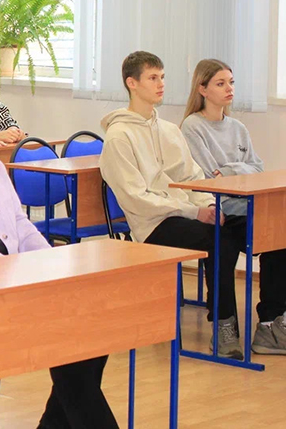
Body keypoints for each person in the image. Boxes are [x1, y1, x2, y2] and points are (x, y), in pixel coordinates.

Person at [0, 74, 118, 429]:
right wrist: (16, 270)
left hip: (17, 284)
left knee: (92, 334)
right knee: (73, 349)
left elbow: (20, 223)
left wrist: (48, 258)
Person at [100, 51, 286, 358]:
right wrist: (196, 211)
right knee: (220, 240)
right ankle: (224, 325)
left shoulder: (168, 130)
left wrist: (211, 207)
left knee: (274, 231)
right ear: (132, 83)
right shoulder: (119, 137)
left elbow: (192, 177)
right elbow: (136, 198)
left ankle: (270, 324)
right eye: (152, 78)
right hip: (154, 224)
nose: (161, 84)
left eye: (162, 77)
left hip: (188, 213)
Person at [181, 59, 261, 217]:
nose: (229, 88)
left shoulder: (238, 127)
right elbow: (209, 179)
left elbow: (258, 170)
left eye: (231, 82)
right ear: (203, 90)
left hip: (244, 197)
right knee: (269, 211)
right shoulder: (192, 126)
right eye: (220, 84)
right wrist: (241, 171)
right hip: (219, 202)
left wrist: (229, 171)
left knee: (277, 205)